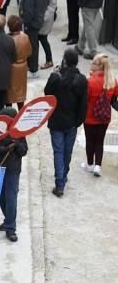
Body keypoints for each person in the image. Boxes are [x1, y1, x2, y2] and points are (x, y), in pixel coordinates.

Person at [44, 48, 89, 198]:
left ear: (64, 60)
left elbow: (47, 94)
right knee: (67, 152)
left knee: (58, 151)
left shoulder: (56, 77)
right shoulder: (81, 80)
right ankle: (63, 175)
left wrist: (53, 75)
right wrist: (79, 121)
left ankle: (60, 183)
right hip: (72, 122)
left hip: (57, 121)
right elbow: (84, 104)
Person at [0, 112, 28, 241]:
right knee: (1, 198)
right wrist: (6, 148)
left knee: (11, 198)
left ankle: (11, 228)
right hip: (0, 168)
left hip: (13, 170)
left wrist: (17, 145)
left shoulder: (20, 132)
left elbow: (24, 151)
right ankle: (8, 220)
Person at [81, 53, 118, 177]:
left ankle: (90, 164)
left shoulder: (90, 81)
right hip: (104, 117)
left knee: (90, 141)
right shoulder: (113, 81)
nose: (91, 64)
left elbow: (84, 99)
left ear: (99, 66)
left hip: (90, 117)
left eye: (93, 62)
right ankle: (98, 166)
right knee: (99, 141)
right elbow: (114, 97)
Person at [6, 14, 31, 109]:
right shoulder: (25, 37)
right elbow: (29, 52)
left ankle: (9, 116)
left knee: (9, 96)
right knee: (21, 94)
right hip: (22, 68)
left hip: (11, 69)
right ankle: (21, 115)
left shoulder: (8, 39)